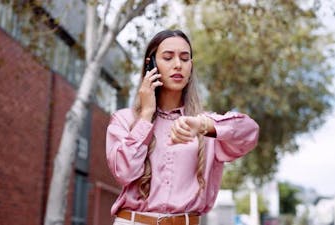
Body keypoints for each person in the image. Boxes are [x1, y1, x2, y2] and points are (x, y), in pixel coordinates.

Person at [106, 29, 259, 225]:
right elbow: (124, 173)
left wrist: (203, 125)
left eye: (185, 58)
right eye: (168, 57)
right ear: (150, 65)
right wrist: (146, 115)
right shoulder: (124, 120)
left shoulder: (204, 124)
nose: (178, 65)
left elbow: (249, 133)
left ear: (191, 66)